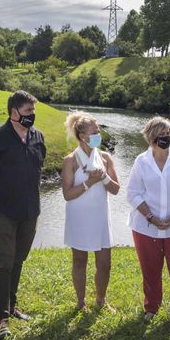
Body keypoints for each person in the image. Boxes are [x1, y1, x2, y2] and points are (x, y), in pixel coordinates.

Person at [0, 90, 46, 340]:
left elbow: (39, 167)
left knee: (19, 259)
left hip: (30, 210)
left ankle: (11, 305)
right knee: (4, 261)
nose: (32, 116)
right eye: (27, 111)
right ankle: (0, 316)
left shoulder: (38, 136)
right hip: (4, 210)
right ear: (13, 112)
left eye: (33, 111)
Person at [126, 116, 170, 323]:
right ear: (151, 138)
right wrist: (151, 217)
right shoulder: (141, 161)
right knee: (150, 269)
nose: (166, 138)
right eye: (161, 135)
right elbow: (133, 193)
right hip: (146, 226)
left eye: (168, 134)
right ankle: (151, 307)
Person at [61, 111, 120, 311]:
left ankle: (101, 300)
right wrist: (89, 182)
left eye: (99, 131)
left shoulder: (105, 157)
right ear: (82, 136)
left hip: (100, 218)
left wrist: (103, 177)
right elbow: (67, 195)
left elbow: (116, 189)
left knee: (105, 263)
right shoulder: (70, 160)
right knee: (80, 260)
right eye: (95, 131)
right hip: (79, 217)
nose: (98, 134)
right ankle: (80, 302)